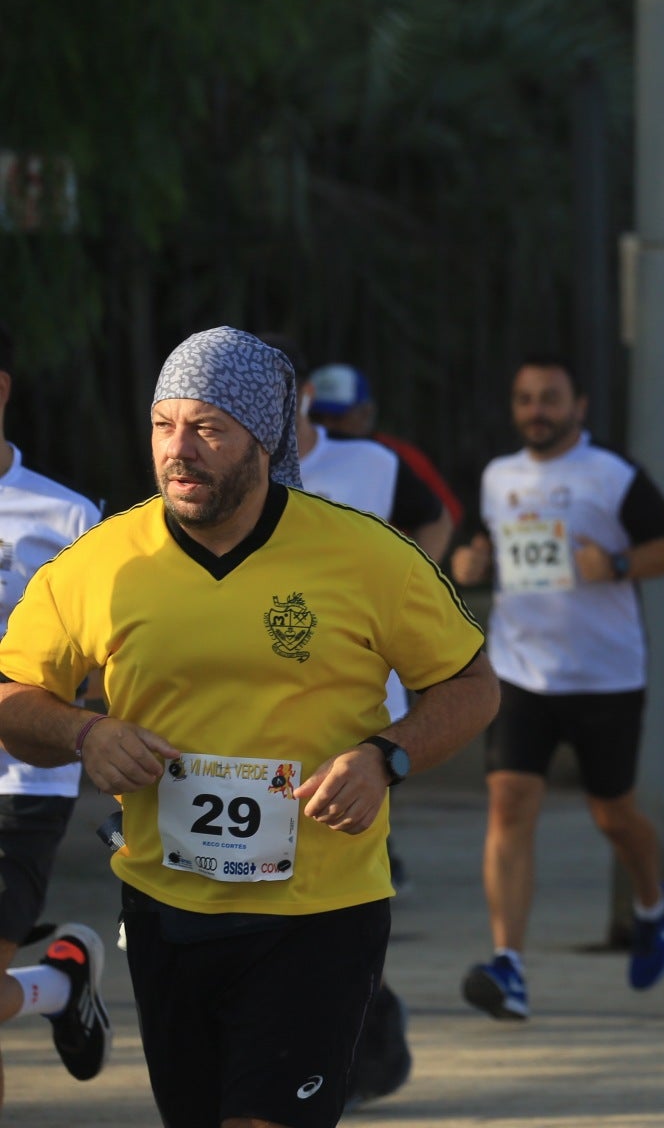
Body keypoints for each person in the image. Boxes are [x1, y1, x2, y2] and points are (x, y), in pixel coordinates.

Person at [0, 326, 497, 1128]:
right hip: (166, 907)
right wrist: (82, 735)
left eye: (208, 428)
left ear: (263, 439)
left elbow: (472, 686)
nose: (179, 450)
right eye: (164, 425)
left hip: (318, 911)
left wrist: (385, 758)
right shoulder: (102, 563)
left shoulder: (364, 556)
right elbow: (13, 699)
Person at [449, 355, 664, 1021]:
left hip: (605, 675)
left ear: (579, 406)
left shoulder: (610, 475)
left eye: (550, 398)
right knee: (508, 807)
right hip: (519, 671)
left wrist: (616, 562)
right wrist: (467, 561)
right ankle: (510, 966)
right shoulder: (497, 478)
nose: (537, 410)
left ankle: (654, 900)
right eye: (525, 398)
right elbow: (479, 549)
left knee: (612, 815)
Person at [263, 334, 455, 1109]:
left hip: (361, 714)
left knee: (336, 877)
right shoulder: (238, 470)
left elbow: (433, 521)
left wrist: (407, 597)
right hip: (256, 705)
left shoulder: (373, 464)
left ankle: (364, 1027)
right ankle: (311, 1031)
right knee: (270, 878)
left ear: (302, 392)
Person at [0, 326, 111, 1104]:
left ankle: (57, 986)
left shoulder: (66, 518)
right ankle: (59, 986)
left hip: (20, 779)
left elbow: (112, 663)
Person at [308, 362, 466, 531]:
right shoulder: (295, 455)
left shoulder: (396, 457)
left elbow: (445, 515)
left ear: (366, 413)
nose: (326, 426)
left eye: (337, 417)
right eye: (317, 417)